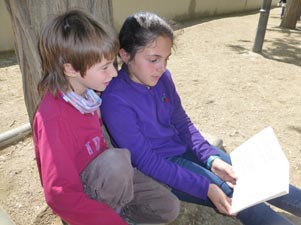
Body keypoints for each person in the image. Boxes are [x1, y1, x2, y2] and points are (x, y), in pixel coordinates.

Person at [101, 11, 301, 225]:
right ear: (125, 55)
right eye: (153, 59)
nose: (162, 67)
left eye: (166, 58)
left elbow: (182, 122)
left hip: (186, 149)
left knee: (259, 177)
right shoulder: (115, 100)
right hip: (163, 167)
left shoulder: (162, 77)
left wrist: (211, 158)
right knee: (240, 197)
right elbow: (147, 161)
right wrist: (205, 187)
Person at [33, 9, 179, 225]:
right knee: (116, 161)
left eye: (112, 64)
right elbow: (59, 194)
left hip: (108, 179)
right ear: (71, 68)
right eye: (104, 67)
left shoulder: (87, 97)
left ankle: (117, 212)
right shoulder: (53, 117)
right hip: (85, 190)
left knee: (168, 207)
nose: (113, 72)